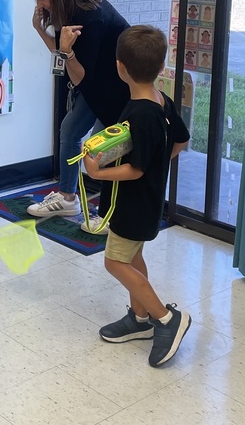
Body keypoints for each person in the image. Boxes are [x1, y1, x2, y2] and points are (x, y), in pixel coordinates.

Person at [82, 25, 192, 368]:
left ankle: (165, 318)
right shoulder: (162, 101)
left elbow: (135, 169)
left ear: (119, 67)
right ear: (161, 68)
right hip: (148, 201)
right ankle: (139, 317)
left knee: (115, 261)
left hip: (133, 203)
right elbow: (181, 142)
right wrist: (158, 163)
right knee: (132, 257)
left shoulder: (139, 114)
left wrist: (97, 173)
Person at [26, 0, 130, 220]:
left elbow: (80, 73)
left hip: (118, 89)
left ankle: (109, 212)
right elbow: (64, 56)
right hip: (96, 83)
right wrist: (40, 30)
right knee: (70, 130)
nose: (39, 5)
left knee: (101, 148)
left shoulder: (91, 16)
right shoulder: (68, 12)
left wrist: (67, 52)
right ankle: (67, 197)